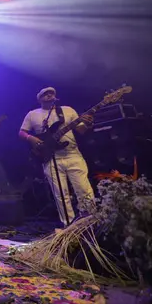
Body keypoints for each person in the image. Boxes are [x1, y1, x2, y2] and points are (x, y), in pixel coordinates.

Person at [19, 87, 95, 226]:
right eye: (45, 94)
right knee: (61, 194)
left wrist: (88, 123)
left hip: (72, 154)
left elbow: (81, 129)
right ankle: (69, 226)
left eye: (51, 93)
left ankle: (90, 222)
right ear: (39, 99)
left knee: (84, 190)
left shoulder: (68, 110)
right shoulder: (33, 114)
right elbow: (22, 132)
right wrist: (32, 138)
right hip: (50, 158)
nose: (49, 95)